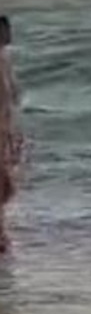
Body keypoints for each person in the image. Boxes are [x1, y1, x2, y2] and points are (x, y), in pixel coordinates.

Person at [0, 15, 22, 253]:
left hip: (5, 134)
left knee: (6, 188)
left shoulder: (5, 62)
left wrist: (15, 137)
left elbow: (11, 105)